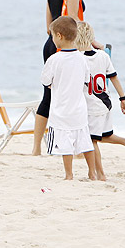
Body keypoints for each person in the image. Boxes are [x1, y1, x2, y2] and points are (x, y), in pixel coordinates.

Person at [33, 0, 102, 155]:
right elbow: (73, 19)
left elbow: (48, 26)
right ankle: (78, 148)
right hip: (66, 46)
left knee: (49, 95)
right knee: (74, 98)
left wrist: (56, 37)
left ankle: (36, 148)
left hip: (51, 43)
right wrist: (91, 42)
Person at [75, 21, 125, 181]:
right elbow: (114, 77)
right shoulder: (103, 56)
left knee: (91, 140)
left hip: (91, 106)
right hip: (105, 103)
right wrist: (123, 98)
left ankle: (99, 174)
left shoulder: (77, 58)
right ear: (92, 38)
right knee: (104, 135)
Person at [40, 16, 95, 180]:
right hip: (79, 109)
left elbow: (45, 81)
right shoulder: (81, 58)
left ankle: (69, 174)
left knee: (65, 144)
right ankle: (92, 172)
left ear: (59, 36)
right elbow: (87, 80)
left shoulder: (54, 59)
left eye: (52, 36)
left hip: (61, 110)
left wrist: (52, 84)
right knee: (85, 141)